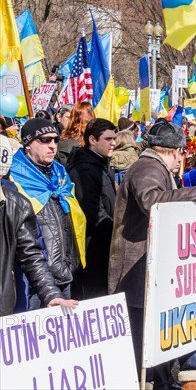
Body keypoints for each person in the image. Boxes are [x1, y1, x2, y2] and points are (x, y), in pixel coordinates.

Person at [108, 119, 196, 389]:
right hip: (136, 268)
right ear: (176, 151)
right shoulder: (148, 167)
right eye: (181, 155)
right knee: (146, 336)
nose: (181, 162)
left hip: (146, 265)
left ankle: (162, 381)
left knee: (156, 332)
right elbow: (152, 202)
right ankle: (155, 383)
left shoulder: (151, 166)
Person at [9, 118, 86, 309]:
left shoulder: (60, 173)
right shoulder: (14, 178)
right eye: (44, 140)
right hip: (30, 279)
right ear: (27, 144)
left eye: (55, 139)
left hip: (63, 271)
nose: (52, 146)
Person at [67, 119, 117, 299]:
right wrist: (116, 233)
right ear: (92, 140)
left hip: (102, 245)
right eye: (108, 139)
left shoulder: (100, 164)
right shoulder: (85, 170)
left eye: (114, 138)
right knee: (94, 297)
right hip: (91, 249)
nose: (113, 143)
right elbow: (93, 213)